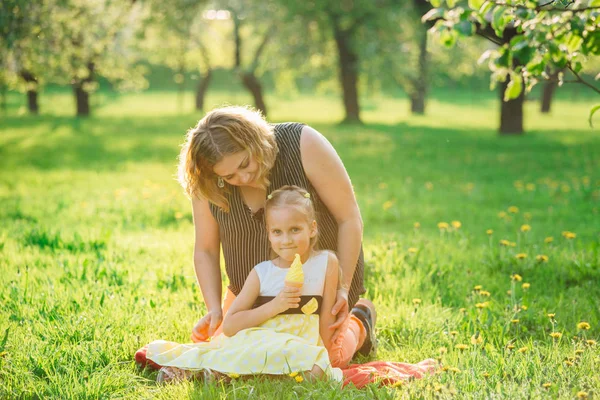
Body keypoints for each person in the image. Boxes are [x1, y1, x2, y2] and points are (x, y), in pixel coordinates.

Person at [176, 106, 376, 367]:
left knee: (323, 359)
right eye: (229, 176)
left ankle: (359, 321)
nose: (244, 177)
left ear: (255, 141)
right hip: (252, 292)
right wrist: (214, 309)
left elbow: (349, 219)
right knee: (225, 352)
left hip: (320, 287)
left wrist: (342, 289)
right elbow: (206, 250)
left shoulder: (302, 143)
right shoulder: (207, 180)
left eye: (245, 163)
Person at [145, 186, 344, 382]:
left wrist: (325, 355)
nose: (286, 240)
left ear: (312, 228)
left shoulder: (326, 263)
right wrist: (275, 306)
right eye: (277, 232)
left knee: (318, 371)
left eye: (295, 230)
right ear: (268, 233)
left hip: (300, 346)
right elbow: (230, 326)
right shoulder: (262, 272)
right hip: (262, 340)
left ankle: (232, 375)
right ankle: (210, 372)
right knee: (246, 353)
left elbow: (327, 316)